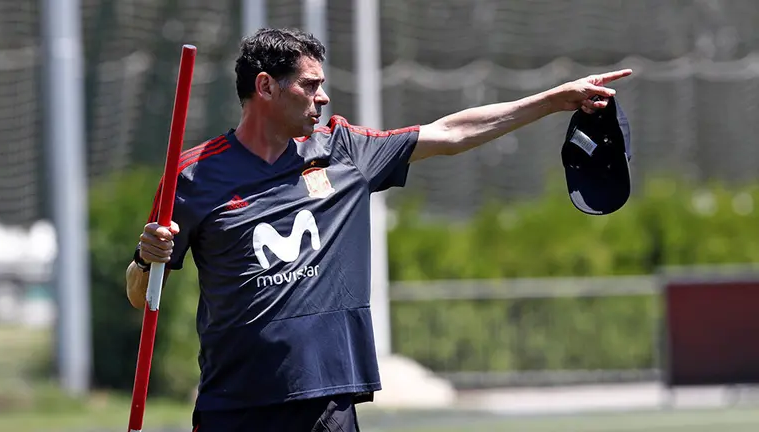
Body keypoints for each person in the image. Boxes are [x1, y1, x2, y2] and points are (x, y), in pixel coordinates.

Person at [125, 27, 632, 432]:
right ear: (265, 87)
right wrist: (147, 258)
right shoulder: (190, 177)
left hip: (328, 402)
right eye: (309, 85)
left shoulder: (345, 150)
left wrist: (554, 100)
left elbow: (451, 133)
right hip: (235, 405)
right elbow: (139, 294)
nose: (322, 98)